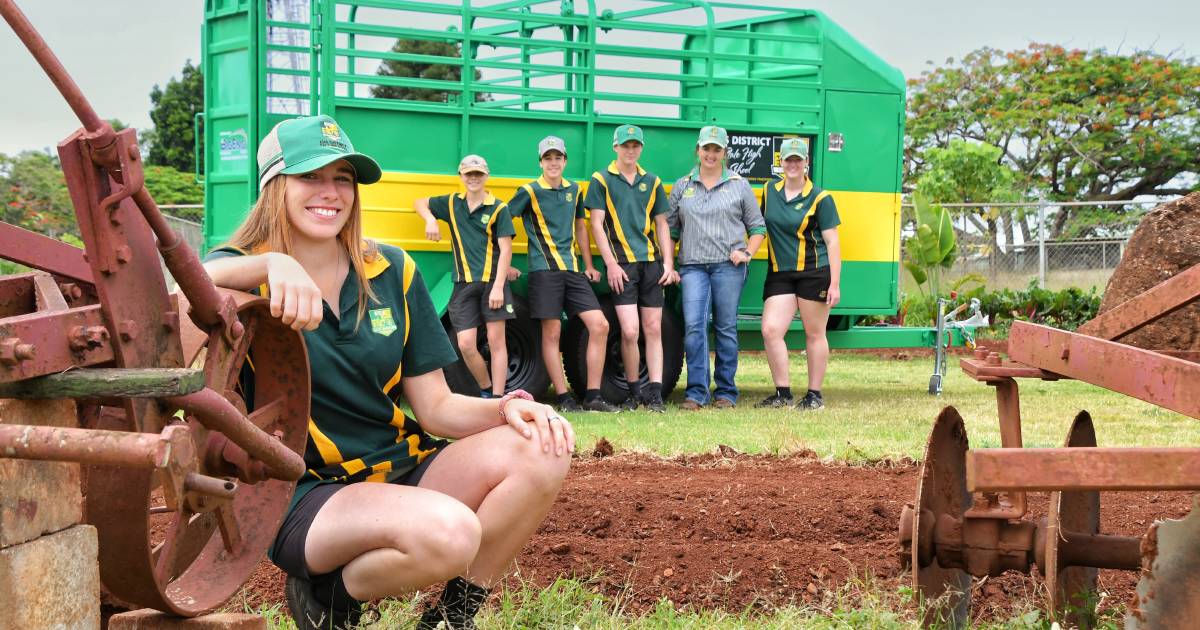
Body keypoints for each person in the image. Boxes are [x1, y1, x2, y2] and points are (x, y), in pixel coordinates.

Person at [202, 115, 574, 630]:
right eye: (310, 177)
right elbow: (181, 287)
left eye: (343, 179)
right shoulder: (242, 269)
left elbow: (437, 408)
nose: (330, 193)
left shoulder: (392, 270)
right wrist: (270, 267)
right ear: (274, 185)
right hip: (305, 493)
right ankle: (327, 596)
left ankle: (452, 616)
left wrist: (507, 408)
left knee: (544, 446)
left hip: (399, 468)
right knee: (452, 535)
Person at [507, 136, 618, 413]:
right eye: (548, 158)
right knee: (552, 334)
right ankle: (563, 397)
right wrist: (503, 262)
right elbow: (503, 222)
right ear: (541, 162)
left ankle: (593, 396)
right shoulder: (529, 191)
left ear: (565, 160)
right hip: (544, 272)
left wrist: (589, 265)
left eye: (558, 157)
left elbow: (581, 228)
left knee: (600, 325)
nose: (553, 162)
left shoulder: (575, 189)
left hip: (572, 271)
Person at [667, 126, 766, 410]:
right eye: (706, 148)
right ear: (697, 150)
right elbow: (671, 230)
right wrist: (670, 263)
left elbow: (757, 227)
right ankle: (697, 392)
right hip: (693, 267)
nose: (711, 154)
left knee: (725, 327)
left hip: (728, 266)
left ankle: (726, 392)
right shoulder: (682, 185)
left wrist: (747, 251)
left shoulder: (739, 185)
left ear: (725, 153)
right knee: (695, 327)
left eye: (717, 149)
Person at [585, 124, 679, 413]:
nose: (630, 150)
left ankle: (655, 394)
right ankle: (634, 392)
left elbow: (662, 224)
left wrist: (668, 263)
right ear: (616, 147)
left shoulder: (651, 181)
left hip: (650, 264)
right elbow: (596, 224)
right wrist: (611, 264)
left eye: (635, 145)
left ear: (641, 148)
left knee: (653, 329)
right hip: (622, 265)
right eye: (625, 145)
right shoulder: (601, 179)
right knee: (629, 331)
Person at [414, 155, 516, 399]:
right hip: (463, 284)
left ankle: (498, 400)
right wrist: (430, 220)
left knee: (496, 341)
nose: (473, 178)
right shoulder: (451, 203)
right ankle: (486, 390)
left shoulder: (499, 208)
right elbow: (419, 202)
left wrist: (499, 287)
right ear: (461, 176)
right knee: (466, 345)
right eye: (469, 174)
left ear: (486, 176)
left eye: (478, 174)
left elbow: (506, 249)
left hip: (493, 283)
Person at [756, 137, 842, 410]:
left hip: (814, 272)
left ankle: (814, 395)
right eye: (787, 159)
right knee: (770, 330)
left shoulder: (821, 197)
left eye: (798, 159)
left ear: (806, 162)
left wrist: (835, 284)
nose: (792, 164)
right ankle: (783, 394)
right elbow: (758, 227)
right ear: (780, 163)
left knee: (814, 334)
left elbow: (833, 242)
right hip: (780, 273)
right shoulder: (770, 191)